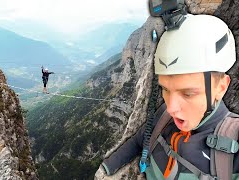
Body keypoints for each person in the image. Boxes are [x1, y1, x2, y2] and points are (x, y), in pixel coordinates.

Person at [100, 14, 238, 179]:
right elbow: (139, 140)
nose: (171, 107)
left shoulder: (234, 141)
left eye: (187, 93)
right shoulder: (163, 116)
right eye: (165, 89)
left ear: (221, 88)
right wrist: (106, 168)